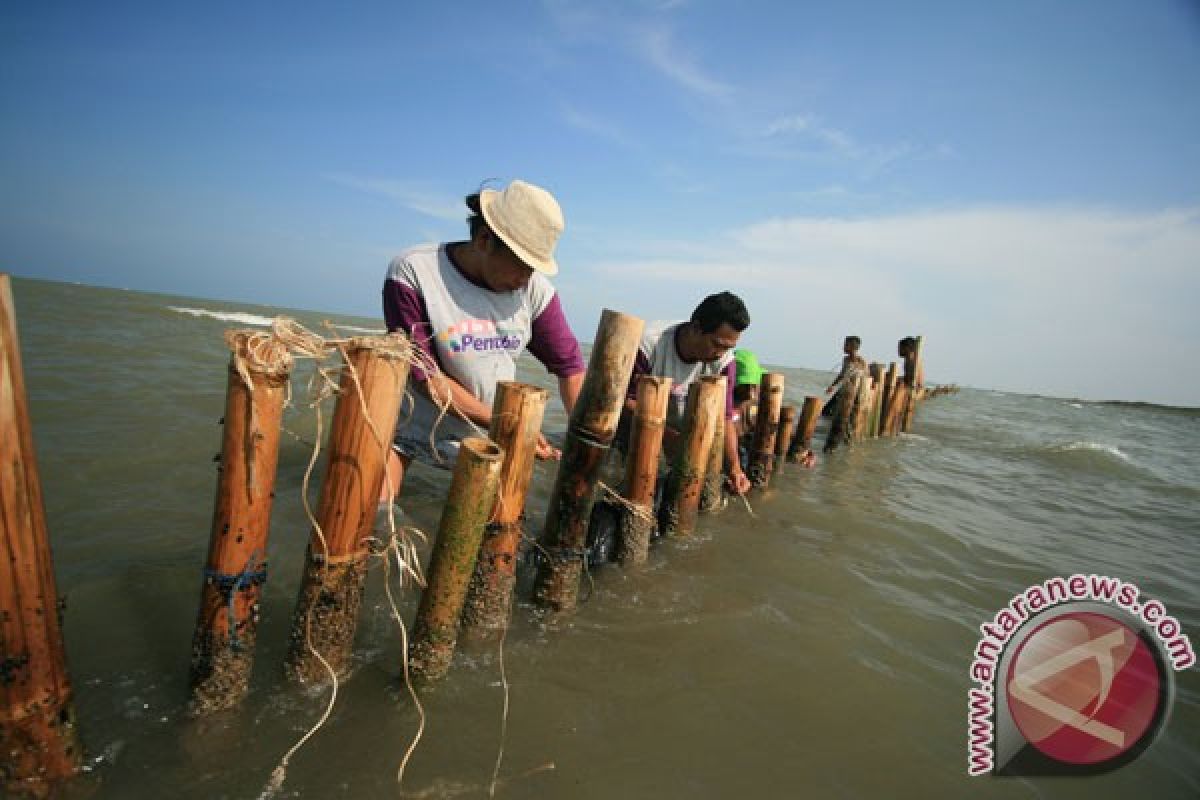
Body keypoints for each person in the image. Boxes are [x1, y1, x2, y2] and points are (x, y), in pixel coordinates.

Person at [380, 180, 586, 501]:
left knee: (496, 533)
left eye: (533, 268)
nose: (525, 279)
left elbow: (571, 369)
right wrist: (507, 422)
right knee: (370, 519)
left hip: (492, 435)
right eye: (520, 265)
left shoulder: (534, 291)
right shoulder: (414, 273)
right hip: (412, 428)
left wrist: (585, 444)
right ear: (485, 240)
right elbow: (427, 379)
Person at [624, 292, 752, 495]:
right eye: (716, 344)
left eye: (728, 347)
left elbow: (725, 417)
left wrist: (735, 468)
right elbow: (626, 401)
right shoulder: (650, 345)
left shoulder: (725, 362)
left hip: (682, 433)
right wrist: (664, 435)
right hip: (640, 429)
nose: (720, 353)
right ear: (695, 328)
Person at [824, 335, 867, 451]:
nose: (843, 346)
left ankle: (848, 444)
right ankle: (837, 442)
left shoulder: (861, 362)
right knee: (839, 418)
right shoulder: (846, 359)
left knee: (851, 421)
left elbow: (865, 379)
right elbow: (842, 375)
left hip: (856, 395)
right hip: (845, 392)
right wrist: (832, 386)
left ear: (853, 347)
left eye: (845, 344)